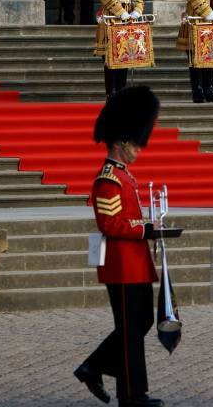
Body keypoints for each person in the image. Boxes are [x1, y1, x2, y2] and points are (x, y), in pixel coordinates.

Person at [74, 86, 164, 407]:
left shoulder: (125, 176)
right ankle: (132, 394)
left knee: (141, 323)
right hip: (121, 263)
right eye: (135, 142)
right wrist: (145, 228)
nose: (139, 148)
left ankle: (94, 367)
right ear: (120, 141)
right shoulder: (108, 179)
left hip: (134, 261)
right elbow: (111, 225)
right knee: (129, 328)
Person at [176, 0, 213, 103]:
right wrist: (207, 12)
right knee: (195, 59)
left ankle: (208, 89)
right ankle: (197, 90)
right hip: (195, 21)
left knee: (211, 55)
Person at [94, 0, 143, 98]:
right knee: (109, 62)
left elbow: (139, 0)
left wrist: (138, 9)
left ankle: (121, 95)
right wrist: (120, 11)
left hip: (126, 22)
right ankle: (111, 95)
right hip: (110, 19)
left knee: (124, 60)